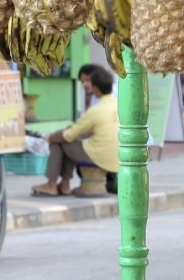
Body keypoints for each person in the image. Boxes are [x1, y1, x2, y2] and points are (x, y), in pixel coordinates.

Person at [32, 67, 120, 198]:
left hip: (101, 156)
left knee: (59, 141)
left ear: (95, 87)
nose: (84, 85)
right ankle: (64, 184)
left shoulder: (96, 110)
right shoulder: (117, 104)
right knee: (69, 140)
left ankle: (51, 184)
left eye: (88, 81)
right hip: (117, 157)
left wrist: (50, 137)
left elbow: (69, 135)